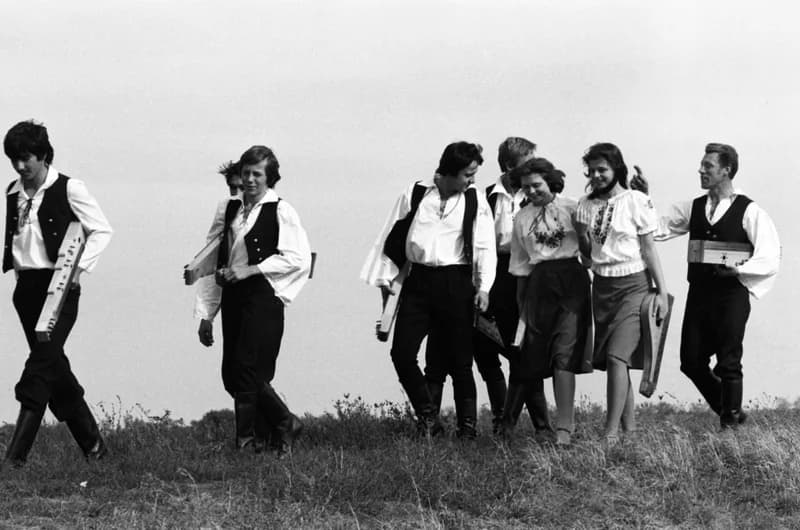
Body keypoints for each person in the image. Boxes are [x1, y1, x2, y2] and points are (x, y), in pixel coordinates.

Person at [361, 141, 496, 438]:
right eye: (467, 174)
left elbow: (485, 247)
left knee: (461, 360)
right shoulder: (416, 193)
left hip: (456, 281)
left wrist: (483, 288)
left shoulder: (475, 200)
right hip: (418, 281)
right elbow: (390, 238)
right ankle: (429, 417)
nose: (471, 180)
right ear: (449, 171)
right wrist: (386, 289)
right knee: (402, 352)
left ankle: (467, 429)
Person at [2, 120, 113, 466]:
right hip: (26, 292)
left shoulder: (69, 187)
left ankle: (14, 460)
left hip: (60, 289)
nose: (21, 167)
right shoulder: (12, 191)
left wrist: (79, 271)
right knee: (54, 370)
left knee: (38, 370)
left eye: (27, 158)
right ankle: (95, 449)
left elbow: (102, 229)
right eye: (15, 160)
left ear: (44, 155)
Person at [649, 143, 780, 428]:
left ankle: (730, 423)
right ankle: (729, 408)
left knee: (728, 360)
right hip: (699, 293)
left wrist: (741, 269)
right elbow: (655, 229)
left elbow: (770, 255)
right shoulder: (693, 207)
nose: (701, 170)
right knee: (691, 361)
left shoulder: (749, 210)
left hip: (731, 295)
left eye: (708, 165)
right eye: (702, 165)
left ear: (726, 170)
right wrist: (641, 197)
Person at [195, 145, 312, 455]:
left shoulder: (282, 211)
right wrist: (207, 314)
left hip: (264, 295)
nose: (249, 180)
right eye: (246, 173)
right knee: (232, 375)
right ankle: (285, 423)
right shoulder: (228, 209)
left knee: (247, 368)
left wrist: (252, 269)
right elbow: (210, 261)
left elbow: (298, 259)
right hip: (233, 296)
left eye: (257, 174)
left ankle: (248, 443)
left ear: (269, 178)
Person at [574, 143, 669, 445]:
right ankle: (630, 433)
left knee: (617, 357)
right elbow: (587, 258)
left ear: (617, 169)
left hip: (634, 285)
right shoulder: (585, 205)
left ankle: (610, 433)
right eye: (593, 170)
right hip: (602, 287)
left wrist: (662, 293)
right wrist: (579, 233)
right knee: (616, 361)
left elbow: (650, 249)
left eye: (603, 169)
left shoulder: (636, 200)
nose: (597, 175)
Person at [508, 157, 592, 445]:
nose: (531, 192)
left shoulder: (572, 207)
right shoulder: (521, 218)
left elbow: (589, 253)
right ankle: (518, 423)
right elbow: (520, 266)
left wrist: (582, 233)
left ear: (550, 181)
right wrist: (522, 307)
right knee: (535, 357)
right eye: (525, 188)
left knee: (564, 353)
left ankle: (564, 430)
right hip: (538, 285)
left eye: (536, 185)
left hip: (572, 281)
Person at [470, 137, 550, 435]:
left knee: (526, 351)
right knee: (487, 350)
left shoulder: (538, 194)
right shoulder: (486, 196)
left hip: (529, 276)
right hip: (496, 274)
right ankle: (503, 418)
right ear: (508, 166)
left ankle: (532, 423)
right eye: (526, 162)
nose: (533, 167)